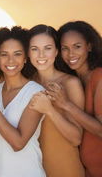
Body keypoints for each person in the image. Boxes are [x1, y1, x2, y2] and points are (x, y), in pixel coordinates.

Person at [0, 26, 46, 177]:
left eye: (17, 54)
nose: (11, 60)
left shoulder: (35, 92)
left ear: (25, 58)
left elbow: (18, 143)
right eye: (4, 54)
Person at [27, 24, 85, 177]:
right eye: (34, 49)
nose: (41, 55)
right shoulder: (27, 85)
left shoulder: (70, 83)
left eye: (47, 48)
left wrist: (49, 110)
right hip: (34, 171)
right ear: (28, 52)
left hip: (66, 171)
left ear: (56, 51)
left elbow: (76, 138)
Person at [55, 21, 102, 177]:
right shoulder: (74, 81)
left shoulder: (99, 76)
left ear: (89, 46)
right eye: (65, 48)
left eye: (77, 46)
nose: (71, 54)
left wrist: (67, 105)